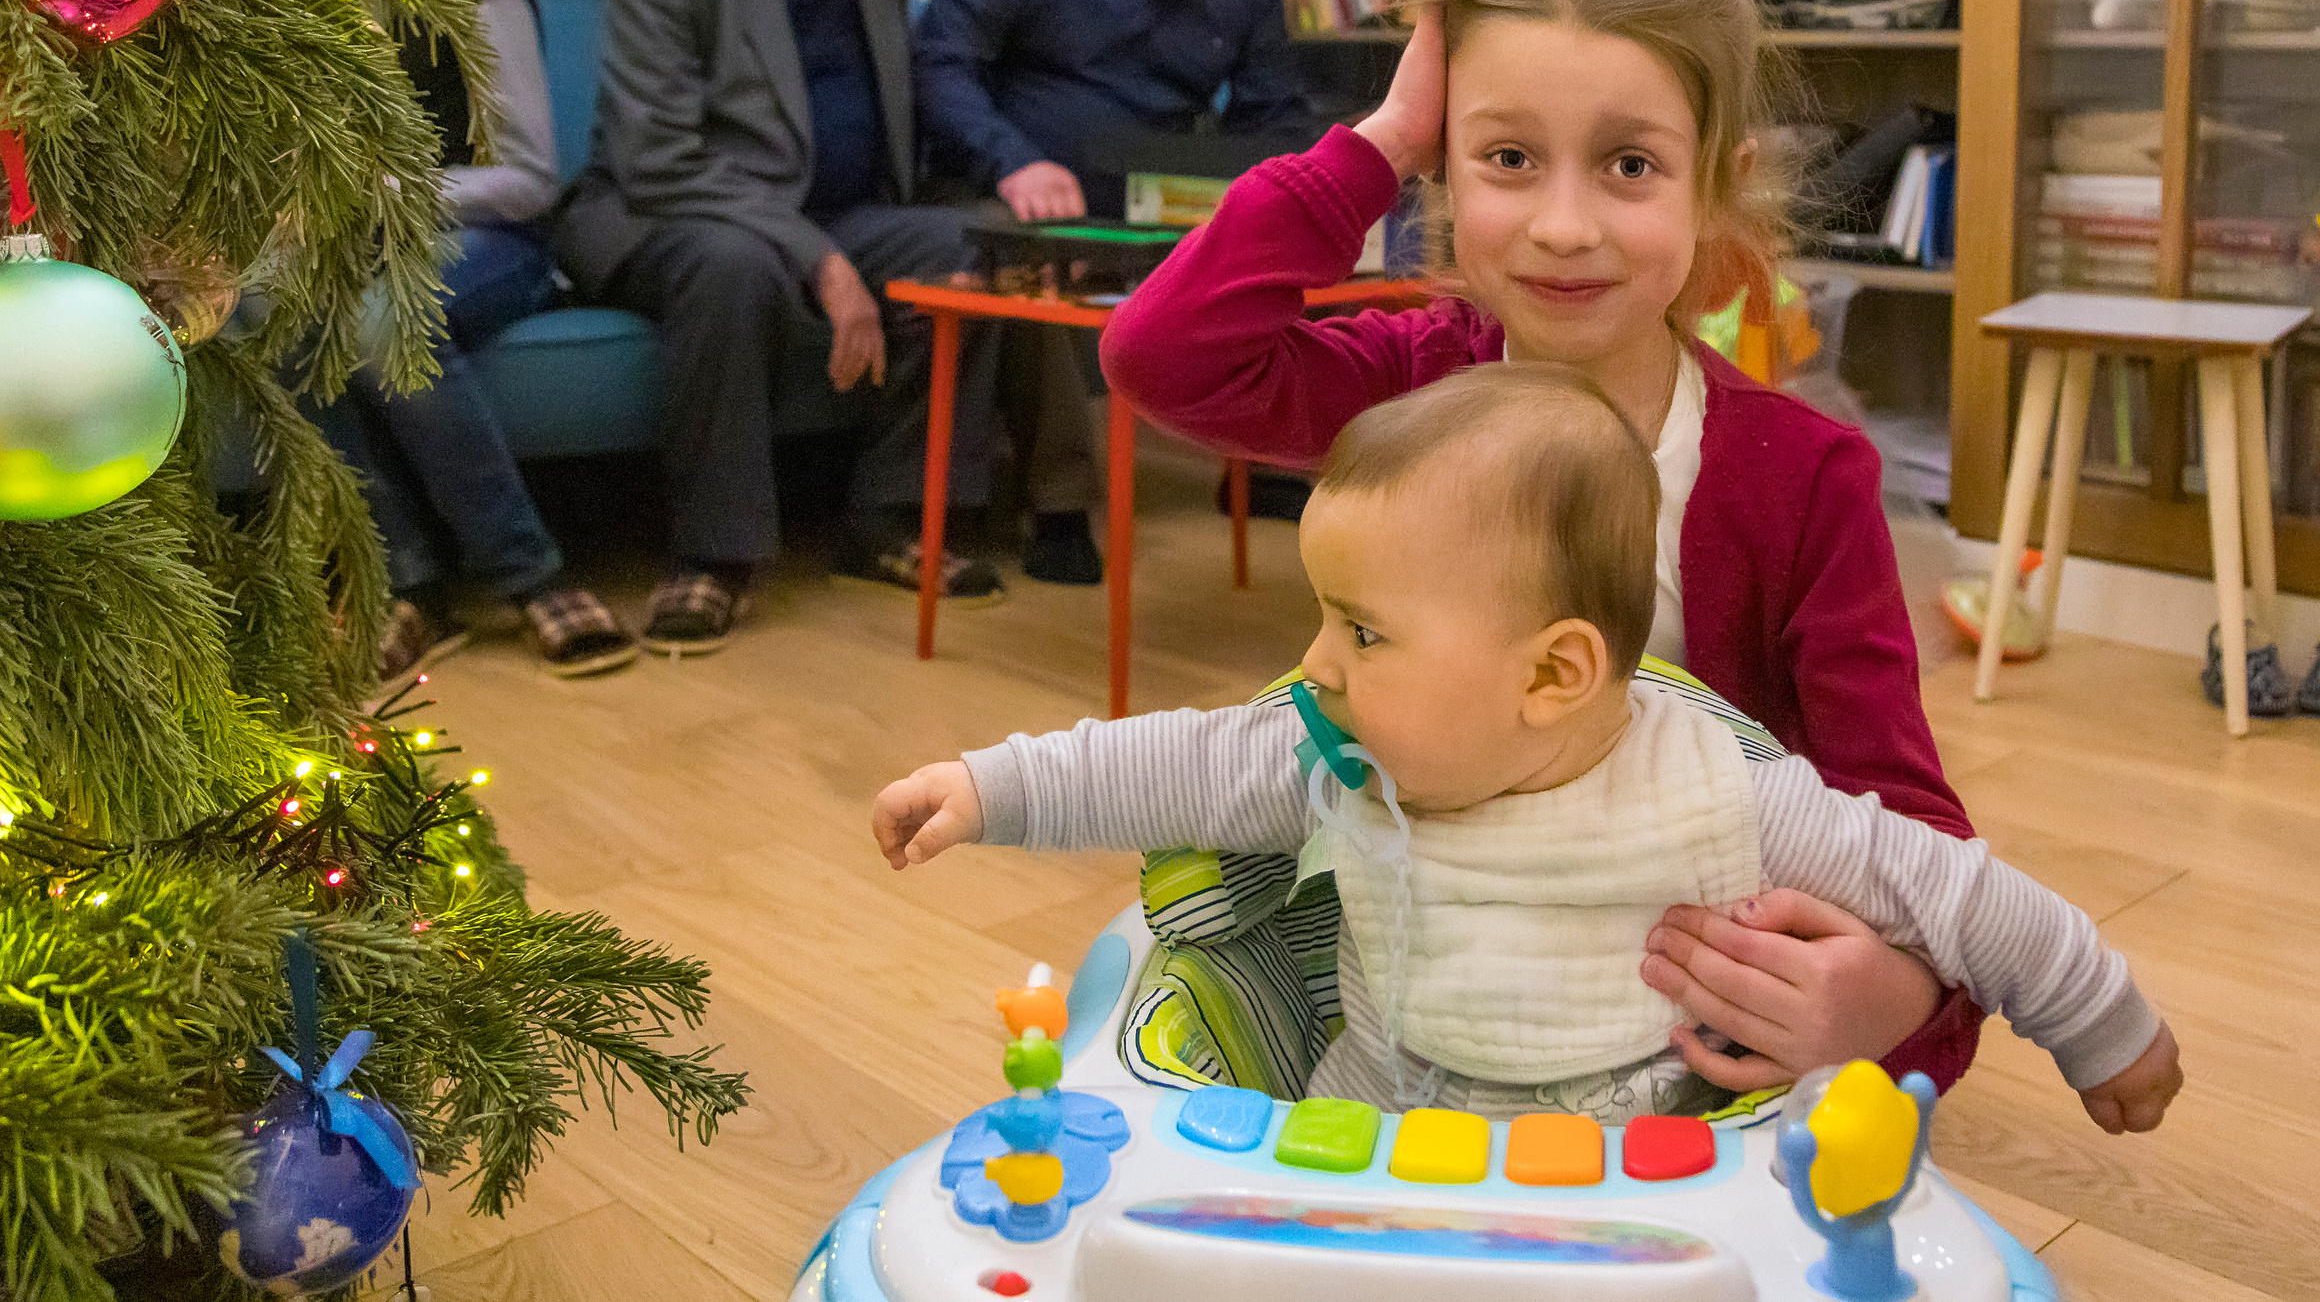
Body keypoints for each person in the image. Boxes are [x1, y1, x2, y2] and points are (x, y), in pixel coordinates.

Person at [1099, 0, 1988, 1094]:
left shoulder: (1804, 475)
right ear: (1445, 167)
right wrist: (1382, 140)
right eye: (1508, 159)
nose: (1564, 228)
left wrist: (1895, 997)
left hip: (1670, 1014)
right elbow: (1164, 356)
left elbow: (1912, 835)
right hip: (1417, 970)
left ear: (1714, 189)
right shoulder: (1414, 383)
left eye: (1630, 166)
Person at [874, 366, 2183, 1130]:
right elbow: (1178, 760)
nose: (1317, 663)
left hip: (1640, 1177)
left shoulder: (1719, 793)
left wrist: (2102, 1025)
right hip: (1369, 1134)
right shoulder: (1340, 753)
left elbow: (1958, 893)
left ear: (1553, 673)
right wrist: (992, 784)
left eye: (1362, 630)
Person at [555, 0, 1004, 654]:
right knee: (735, 265)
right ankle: (712, 557)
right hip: (668, 211)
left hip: (834, 212)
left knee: (965, 246)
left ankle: (888, 520)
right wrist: (820, 258)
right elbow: (658, 159)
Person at [914, 0, 1317, 584]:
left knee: (1288, 230)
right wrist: (1014, 161)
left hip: (1161, 198)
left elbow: (1276, 117)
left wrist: (1257, 200)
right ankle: (1060, 505)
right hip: (1020, 186)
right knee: (1040, 255)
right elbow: (940, 61)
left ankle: (1265, 458)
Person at [307, 0, 638, 684]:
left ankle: (529, 574)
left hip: (498, 242)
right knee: (282, 314)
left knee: (386, 322)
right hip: (362, 245)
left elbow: (529, 179)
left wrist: (388, 190)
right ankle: (408, 583)